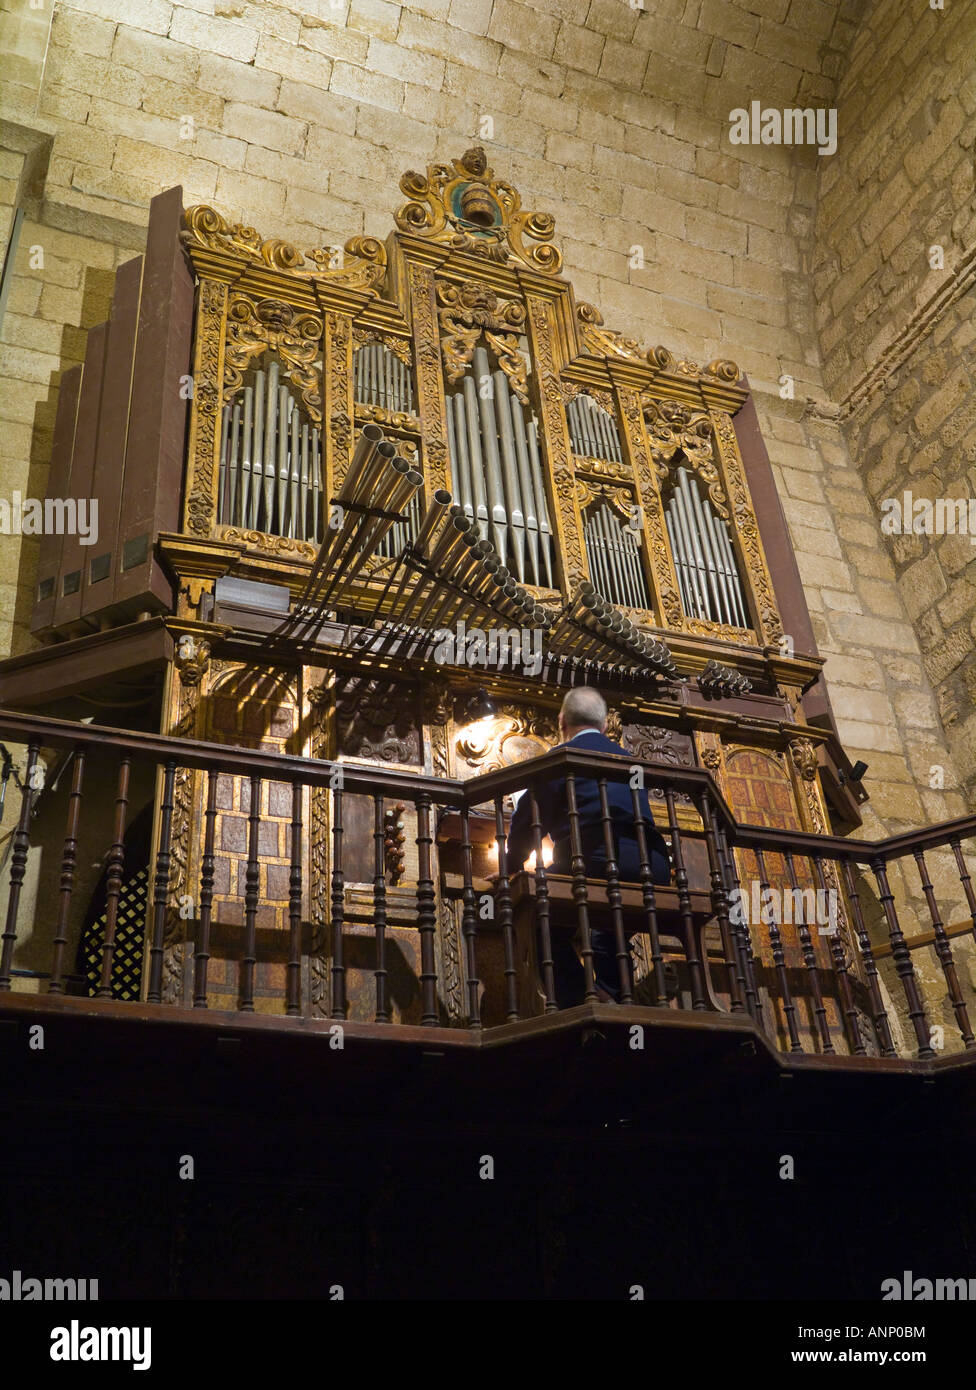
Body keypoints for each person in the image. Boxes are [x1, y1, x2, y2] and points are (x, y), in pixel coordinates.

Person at [505, 687, 671, 1007]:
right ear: (606, 726)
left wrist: (511, 870)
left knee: (537, 919)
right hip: (652, 867)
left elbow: (525, 824)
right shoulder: (631, 762)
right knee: (608, 922)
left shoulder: (557, 761)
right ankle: (614, 995)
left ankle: (585, 999)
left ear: (561, 721)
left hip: (593, 862)